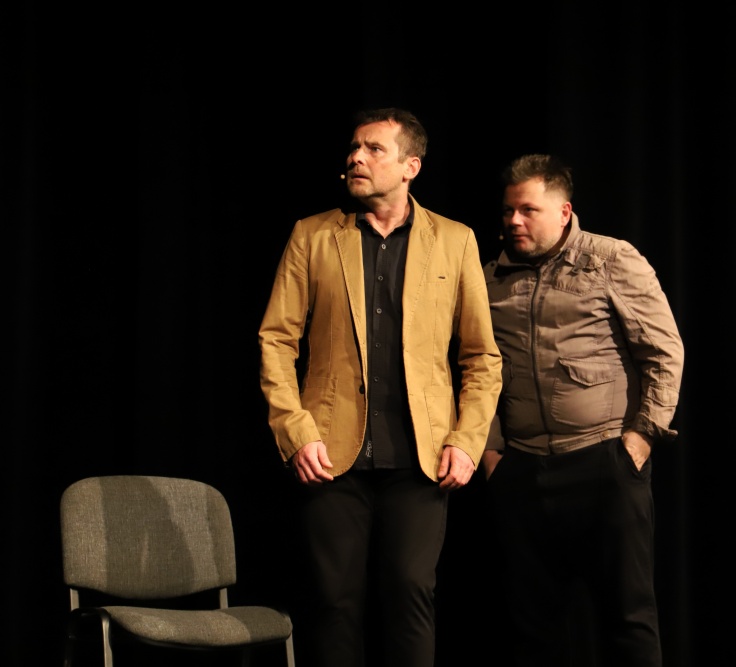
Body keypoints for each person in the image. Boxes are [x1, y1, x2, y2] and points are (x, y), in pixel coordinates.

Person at [258, 107, 502, 667]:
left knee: (411, 595)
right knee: (334, 603)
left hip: (421, 457)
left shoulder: (455, 240)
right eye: (353, 147)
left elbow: (481, 356)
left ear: (411, 166)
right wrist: (295, 431)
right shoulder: (313, 235)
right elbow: (276, 340)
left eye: (373, 149)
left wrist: (467, 441)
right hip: (330, 453)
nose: (355, 158)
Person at [481, 154, 685, 667]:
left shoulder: (611, 258)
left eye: (528, 210)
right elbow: (475, 368)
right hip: (523, 471)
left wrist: (640, 439)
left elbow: (664, 352)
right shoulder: (490, 276)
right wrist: (490, 451)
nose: (514, 221)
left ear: (564, 211)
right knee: (532, 629)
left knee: (628, 620)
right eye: (507, 211)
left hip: (603, 463)